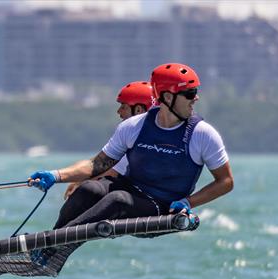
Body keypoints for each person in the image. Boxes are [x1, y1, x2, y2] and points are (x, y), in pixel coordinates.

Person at [30, 63, 233, 237]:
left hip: (161, 207)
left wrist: (189, 202)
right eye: (190, 93)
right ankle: (49, 246)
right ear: (167, 97)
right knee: (88, 188)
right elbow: (97, 165)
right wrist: (55, 176)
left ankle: (52, 245)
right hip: (130, 191)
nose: (195, 98)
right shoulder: (134, 126)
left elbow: (225, 181)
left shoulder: (203, 134)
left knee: (117, 199)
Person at [63, 81, 155, 199]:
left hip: (143, 200)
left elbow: (113, 172)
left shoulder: (141, 138)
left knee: (87, 189)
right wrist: (76, 178)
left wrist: (79, 183)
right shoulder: (130, 133)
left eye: (124, 107)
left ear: (138, 110)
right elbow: (99, 162)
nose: (119, 112)